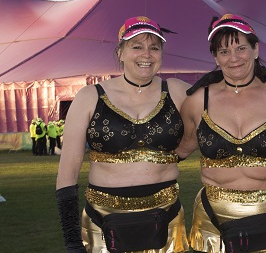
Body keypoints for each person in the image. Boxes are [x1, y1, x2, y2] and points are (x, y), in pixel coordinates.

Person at [176, 14, 266, 253]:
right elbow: (178, 151)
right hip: (214, 219)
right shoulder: (198, 101)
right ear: (215, 57)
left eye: (241, 48)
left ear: (255, 49)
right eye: (224, 52)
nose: (234, 58)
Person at [55, 16, 190, 253]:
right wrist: (72, 241)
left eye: (154, 47)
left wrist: (179, 153)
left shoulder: (178, 91)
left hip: (166, 220)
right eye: (136, 46)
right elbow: (67, 173)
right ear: (120, 52)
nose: (146, 54)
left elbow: (217, 119)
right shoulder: (90, 96)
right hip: (102, 221)